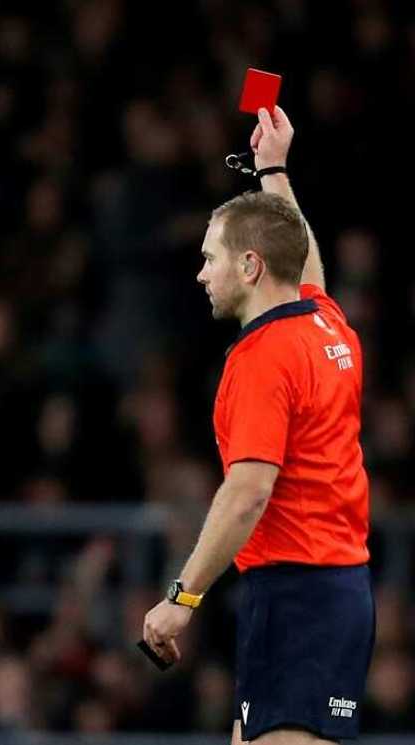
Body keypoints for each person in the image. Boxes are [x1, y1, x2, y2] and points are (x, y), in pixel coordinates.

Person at [142, 106, 374, 745]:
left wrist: (181, 599)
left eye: (210, 258)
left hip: (297, 597)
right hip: (329, 592)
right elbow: (307, 269)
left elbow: (247, 493)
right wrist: (274, 169)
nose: (201, 273)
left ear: (249, 267)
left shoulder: (262, 359)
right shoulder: (326, 324)